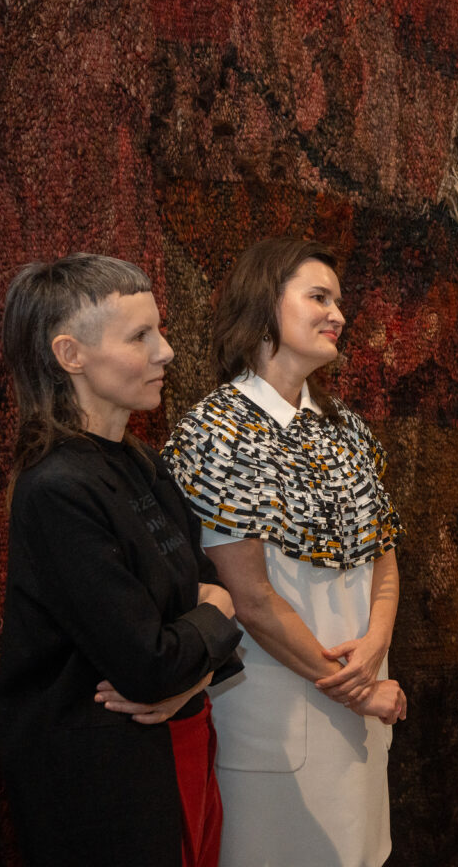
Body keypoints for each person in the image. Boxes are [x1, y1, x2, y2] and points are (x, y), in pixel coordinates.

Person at [0, 254, 244, 867]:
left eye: (159, 330)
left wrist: (194, 666)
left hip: (176, 751)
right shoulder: (56, 490)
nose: (166, 352)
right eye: (140, 336)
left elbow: (204, 593)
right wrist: (210, 622)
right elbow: (151, 662)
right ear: (70, 355)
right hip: (106, 788)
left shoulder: (141, 461)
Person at [165, 238, 406, 867]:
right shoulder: (216, 431)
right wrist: (357, 689)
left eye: (339, 301)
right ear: (264, 303)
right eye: (319, 297)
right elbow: (249, 598)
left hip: (360, 700)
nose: (338, 315)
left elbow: (383, 551)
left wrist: (375, 647)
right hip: (278, 717)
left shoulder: (346, 428)